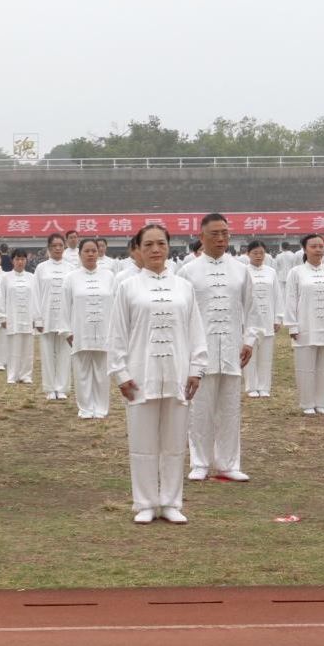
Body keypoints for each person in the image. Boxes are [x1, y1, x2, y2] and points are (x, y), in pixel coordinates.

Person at [109, 224, 208, 525]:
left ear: (168, 247)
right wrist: (120, 373)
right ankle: (145, 502)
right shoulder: (128, 287)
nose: (155, 249)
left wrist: (196, 369)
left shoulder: (184, 287)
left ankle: (171, 502)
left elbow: (195, 330)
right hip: (141, 375)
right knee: (142, 443)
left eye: (161, 243)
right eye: (148, 244)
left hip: (177, 374)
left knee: (174, 443)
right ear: (138, 249)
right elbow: (117, 334)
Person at [177, 213, 259, 481]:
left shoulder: (240, 269)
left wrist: (249, 340)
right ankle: (200, 462)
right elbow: (181, 313)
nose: (221, 238)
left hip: (233, 348)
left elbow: (251, 308)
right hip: (200, 350)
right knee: (200, 409)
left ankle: (228, 463)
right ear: (201, 236)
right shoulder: (188, 271)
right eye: (215, 233)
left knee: (230, 408)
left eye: (225, 233)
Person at [285, 233, 324, 415]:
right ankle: (307, 403)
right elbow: (290, 299)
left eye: (321, 246)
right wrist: (292, 325)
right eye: (313, 246)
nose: (318, 250)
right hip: (306, 325)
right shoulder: (296, 272)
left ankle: (323, 402)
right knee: (305, 366)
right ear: (305, 249)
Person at [65, 238, 116, 419]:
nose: (91, 254)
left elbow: (115, 305)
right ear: (79, 254)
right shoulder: (71, 277)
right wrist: (67, 330)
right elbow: (66, 306)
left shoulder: (109, 276)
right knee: (82, 371)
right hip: (80, 330)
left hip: (104, 330)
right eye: (86, 251)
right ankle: (85, 408)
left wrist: (114, 331)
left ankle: (101, 408)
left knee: (102, 372)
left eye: (93, 250)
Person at [34, 233, 73, 401]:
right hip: (47, 315)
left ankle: (62, 388)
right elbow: (35, 294)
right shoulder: (41, 268)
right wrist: (37, 319)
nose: (58, 248)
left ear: (64, 247)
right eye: (54, 245)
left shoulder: (71, 268)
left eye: (60, 245)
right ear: (49, 247)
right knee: (48, 353)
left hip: (65, 317)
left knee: (64, 354)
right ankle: (50, 388)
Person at [244, 240, 283, 398]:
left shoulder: (271, 272)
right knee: (250, 353)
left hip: (268, 318)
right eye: (255, 253)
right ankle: (251, 386)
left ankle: (264, 386)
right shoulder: (243, 271)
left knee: (266, 356)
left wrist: (278, 317)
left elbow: (277, 295)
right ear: (248, 254)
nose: (259, 256)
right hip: (249, 320)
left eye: (261, 253)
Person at [0, 248, 36, 384]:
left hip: (28, 316)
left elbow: (36, 299)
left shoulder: (32, 278)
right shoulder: (6, 278)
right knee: (13, 348)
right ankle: (12, 375)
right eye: (17, 259)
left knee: (28, 349)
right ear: (12, 261)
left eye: (23, 259)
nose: (20, 262)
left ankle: (26, 375)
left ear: (26, 261)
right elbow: (2, 298)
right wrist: (2, 316)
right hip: (13, 317)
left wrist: (36, 318)